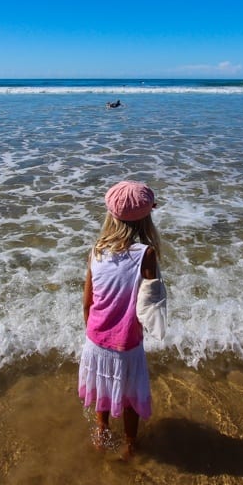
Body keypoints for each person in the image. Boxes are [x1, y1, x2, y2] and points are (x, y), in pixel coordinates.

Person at [78, 180, 161, 458]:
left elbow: (88, 302)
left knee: (102, 388)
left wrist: (95, 333)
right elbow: (150, 304)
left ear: (111, 215)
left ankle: (101, 435)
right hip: (127, 344)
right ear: (146, 218)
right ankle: (130, 446)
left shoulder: (97, 250)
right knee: (130, 401)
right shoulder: (145, 255)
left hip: (95, 338)